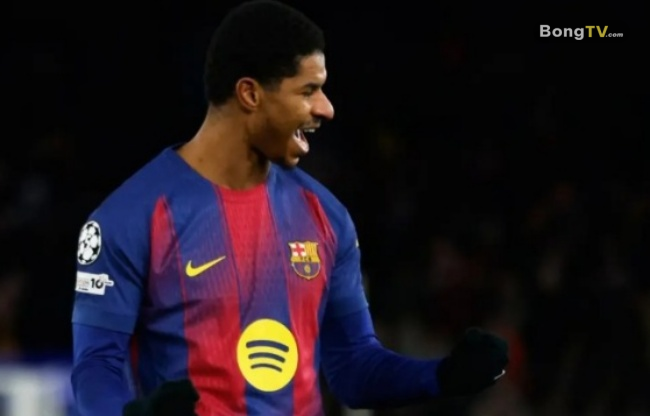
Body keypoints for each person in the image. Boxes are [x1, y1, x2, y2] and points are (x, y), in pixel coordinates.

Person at [70, 1, 509, 415]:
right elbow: (96, 366)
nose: (326, 108)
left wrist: (442, 375)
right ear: (250, 94)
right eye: (308, 90)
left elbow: (353, 366)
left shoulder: (327, 217)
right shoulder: (129, 219)